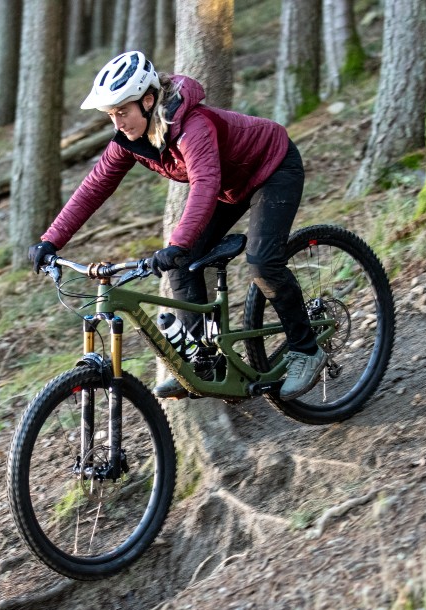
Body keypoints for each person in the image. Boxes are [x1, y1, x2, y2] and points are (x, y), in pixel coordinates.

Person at [27, 50, 325, 400]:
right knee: (182, 266)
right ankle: (206, 363)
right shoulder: (130, 140)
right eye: (111, 114)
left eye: (123, 111)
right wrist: (51, 241)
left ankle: (306, 350)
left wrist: (178, 242)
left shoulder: (192, 126)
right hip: (230, 186)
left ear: (149, 100)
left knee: (262, 261)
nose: (118, 122)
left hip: (273, 167)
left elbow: (205, 183)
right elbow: (94, 187)